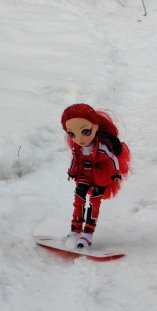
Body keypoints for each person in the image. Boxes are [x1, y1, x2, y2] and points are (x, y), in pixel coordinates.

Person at [60, 103, 131, 249]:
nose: (79, 139)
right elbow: (75, 161)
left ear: (96, 127)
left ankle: (87, 235)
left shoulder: (102, 148)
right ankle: (75, 230)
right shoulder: (77, 148)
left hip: (99, 178)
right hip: (83, 176)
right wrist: (72, 172)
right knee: (78, 201)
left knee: (94, 204)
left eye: (85, 131)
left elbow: (112, 159)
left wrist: (115, 174)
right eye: (72, 134)